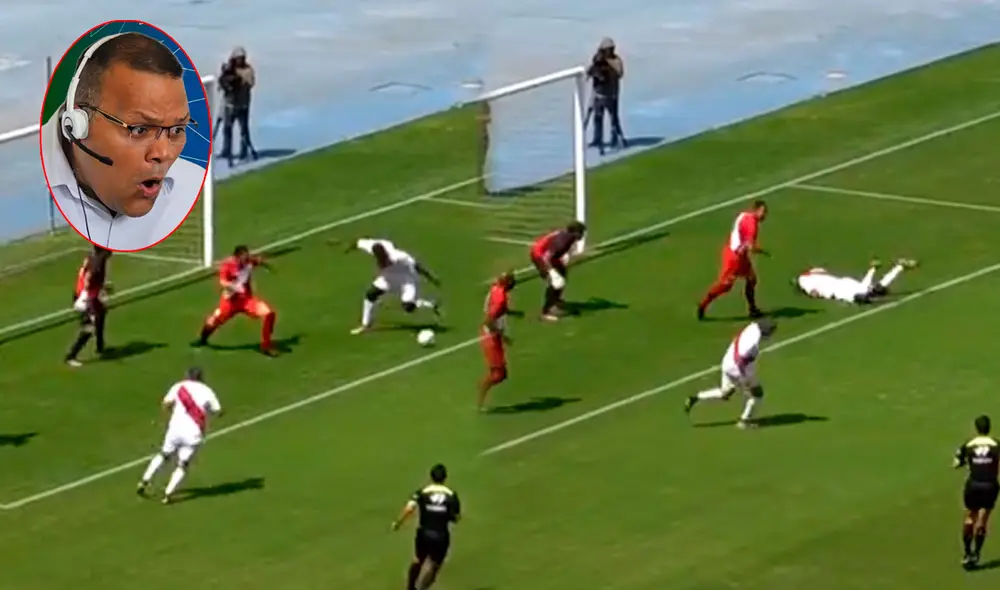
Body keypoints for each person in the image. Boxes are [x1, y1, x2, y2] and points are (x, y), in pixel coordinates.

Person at [41, 31, 207, 251]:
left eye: (176, 129)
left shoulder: (188, 186)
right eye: (139, 130)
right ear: (78, 125)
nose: (163, 153)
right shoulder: (37, 179)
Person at [136, 367, 222, 504]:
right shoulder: (207, 391)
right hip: (193, 433)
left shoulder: (179, 386)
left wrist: (170, 412)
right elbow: (217, 410)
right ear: (201, 377)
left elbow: (166, 403)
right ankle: (168, 494)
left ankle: (144, 480)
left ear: (187, 375)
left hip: (175, 429)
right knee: (183, 465)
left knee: (164, 455)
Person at [684, 318, 777, 429]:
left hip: (727, 362)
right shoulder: (752, 345)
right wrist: (744, 379)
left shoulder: (751, 328)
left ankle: (696, 397)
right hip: (738, 370)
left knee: (725, 393)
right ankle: (744, 421)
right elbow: (741, 359)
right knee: (757, 394)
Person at [195, 245, 278, 356]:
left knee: (269, 313)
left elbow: (257, 260)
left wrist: (265, 264)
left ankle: (266, 346)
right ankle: (203, 339)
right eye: (244, 257)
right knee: (212, 322)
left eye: (247, 256)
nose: (246, 259)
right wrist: (233, 286)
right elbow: (223, 282)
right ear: (237, 257)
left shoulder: (248, 261)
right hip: (230, 303)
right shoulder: (228, 265)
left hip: (247, 301)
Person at [346, 238, 441, 334]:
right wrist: (347, 250)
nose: (382, 263)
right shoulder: (371, 247)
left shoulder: (399, 256)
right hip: (387, 278)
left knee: (408, 307)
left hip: (406, 280)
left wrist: (431, 278)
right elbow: (357, 243)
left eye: (384, 260)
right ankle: (366, 325)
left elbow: (417, 265)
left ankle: (429, 304)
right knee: (370, 294)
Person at [391, 463, 462, 590]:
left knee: (418, 559)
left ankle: (410, 587)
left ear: (431, 477)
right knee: (434, 565)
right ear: (445, 477)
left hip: (423, 533)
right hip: (441, 536)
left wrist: (398, 523)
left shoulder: (422, 492)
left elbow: (409, 508)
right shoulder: (451, 495)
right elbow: (455, 518)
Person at [698, 200, 769, 320]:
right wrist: (760, 250)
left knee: (752, 279)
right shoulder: (751, 224)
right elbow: (750, 246)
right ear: (756, 210)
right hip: (733, 258)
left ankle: (752, 309)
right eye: (763, 212)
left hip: (740, 255)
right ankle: (703, 304)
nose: (765, 215)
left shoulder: (744, 215)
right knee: (725, 286)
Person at [954, 415, 999, 569]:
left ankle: (967, 553)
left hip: (973, 485)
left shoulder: (968, 445)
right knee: (983, 520)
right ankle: (977, 553)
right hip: (990, 485)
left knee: (969, 517)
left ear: (976, 428)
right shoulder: (997, 444)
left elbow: (956, 463)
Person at [65, 246, 113, 367]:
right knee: (89, 327)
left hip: (88, 295)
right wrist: (89, 296)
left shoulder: (94, 258)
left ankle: (100, 347)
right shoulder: (98, 263)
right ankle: (70, 356)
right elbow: (88, 280)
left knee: (101, 314)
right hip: (86, 298)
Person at [529, 221, 586, 321]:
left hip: (549, 255)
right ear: (575, 232)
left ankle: (555, 300)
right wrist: (551, 271)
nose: (583, 235)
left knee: (562, 274)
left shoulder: (569, 237)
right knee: (556, 282)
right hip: (540, 256)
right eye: (581, 232)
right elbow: (547, 256)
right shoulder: (563, 240)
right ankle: (545, 312)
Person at [795, 258, 917, 304]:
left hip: (839, 290)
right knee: (870, 291)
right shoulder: (813, 274)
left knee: (866, 294)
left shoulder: (804, 280)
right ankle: (898, 267)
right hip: (842, 284)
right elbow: (815, 288)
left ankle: (894, 267)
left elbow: (813, 292)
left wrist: (817, 294)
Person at [478, 271, 516, 411]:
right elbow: (489, 321)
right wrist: (502, 335)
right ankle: (480, 396)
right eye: (511, 280)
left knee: (500, 373)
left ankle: (482, 392)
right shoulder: (500, 298)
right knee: (499, 374)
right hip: (491, 336)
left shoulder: (496, 288)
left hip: (492, 334)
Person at [217, 46, 258, 167]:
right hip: (229, 104)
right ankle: (226, 149)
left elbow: (250, 83)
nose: (239, 60)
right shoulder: (229, 70)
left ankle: (244, 150)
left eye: (241, 58)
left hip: (242, 104)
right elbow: (222, 84)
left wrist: (239, 79)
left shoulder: (248, 70)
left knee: (243, 129)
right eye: (237, 58)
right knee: (227, 129)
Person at [585, 37, 627, 155]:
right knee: (598, 118)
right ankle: (597, 139)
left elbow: (619, 73)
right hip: (598, 94)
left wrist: (607, 66)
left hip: (611, 94)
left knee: (614, 118)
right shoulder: (598, 60)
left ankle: (617, 138)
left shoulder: (616, 61)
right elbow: (590, 71)